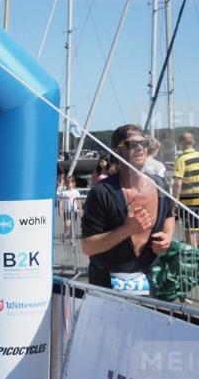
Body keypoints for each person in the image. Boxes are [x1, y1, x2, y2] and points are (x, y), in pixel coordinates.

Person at [81, 124, 175, 292]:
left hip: (150, 278)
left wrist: (167, 237)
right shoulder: (101, 192)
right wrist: (127, 229)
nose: (140, 148)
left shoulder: (161, 186)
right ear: (117, 151)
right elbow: (88, 246)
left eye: (144, 143)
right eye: (131, 144)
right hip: (107, 282)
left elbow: (169, 215)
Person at [173, 131, 199, 247]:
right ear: (193, 142)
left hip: (189, 201)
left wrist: (175, 201)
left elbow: (177, 183)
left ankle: (194, 261)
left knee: (191, 233)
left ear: (181, 143)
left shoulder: (181, 159)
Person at [58, 176, 81, 243]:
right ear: (66, 183)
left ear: (74, 183)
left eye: (71, 182)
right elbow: (61, 201)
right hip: (67, 211)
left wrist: (81, 210)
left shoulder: (76, 192)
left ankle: (72, 239)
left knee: (72, 226)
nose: (70, 184)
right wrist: (60, 209)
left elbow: (78, 201)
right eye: (68, 182)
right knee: (67, 225)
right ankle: (64, 234)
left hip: (74, 211)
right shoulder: (64, 192)